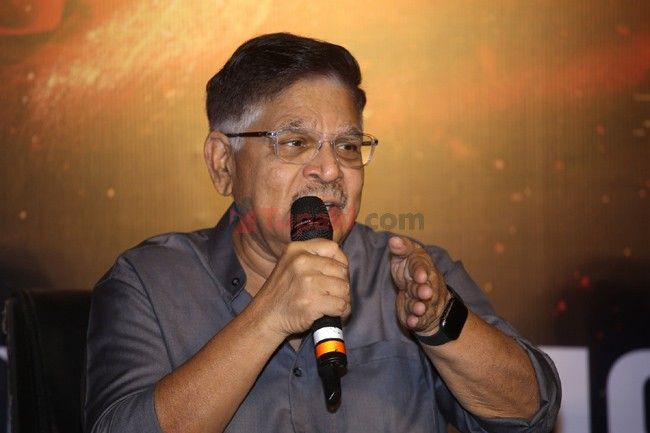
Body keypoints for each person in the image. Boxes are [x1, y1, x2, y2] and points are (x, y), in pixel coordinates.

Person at [84, 33, 560, 433]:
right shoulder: (150, 283)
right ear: (223, 163)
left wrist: (440, 321)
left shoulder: (406, 274)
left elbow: (532, 412)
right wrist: (269, 316)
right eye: (295, 142)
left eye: (348, 146)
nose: (331, 170)